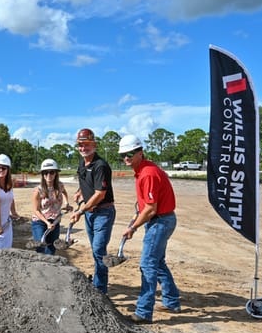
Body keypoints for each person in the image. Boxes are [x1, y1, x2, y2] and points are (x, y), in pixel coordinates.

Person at [119, 134, 181, 323]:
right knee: (158, 262)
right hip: (160, 219)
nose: (126, 158)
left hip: (160, 221)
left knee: (148, 265)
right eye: (123, 155)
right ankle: (172, 301)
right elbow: (146, 205)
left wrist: (133, 228)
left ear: (140, 152)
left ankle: (143, 312)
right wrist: (136, 217)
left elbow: (151, 209)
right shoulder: (143, 170)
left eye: (130, 154)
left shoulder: (148, 174)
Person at [68, 128, 117, 293]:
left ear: (94, 145)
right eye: (80, 145)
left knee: (98, 250)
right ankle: (97, 282)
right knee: (96, 251)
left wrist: (80, 211)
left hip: (103, 212)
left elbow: (100, 194)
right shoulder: (82, 164)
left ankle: (100, 289)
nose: (83, 148)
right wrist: (79, 192)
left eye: (87, 144)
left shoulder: (100, 166)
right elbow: (86, 184)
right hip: (90, 213)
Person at [31, 158, 70, 255]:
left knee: (52, 247)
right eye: (46, 172)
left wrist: (67, 203)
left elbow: (64, 193)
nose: (49, 175)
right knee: (40, 246)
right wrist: (47, 222)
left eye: (51, 172)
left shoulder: (60, 186)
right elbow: (36, 210)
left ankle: (49, 264)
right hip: (40, 222)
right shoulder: (38, 190)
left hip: (55, 221)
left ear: (56, 173)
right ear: (42, 175)